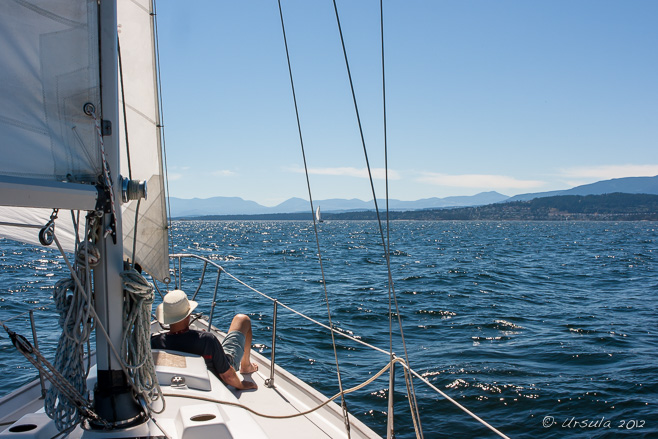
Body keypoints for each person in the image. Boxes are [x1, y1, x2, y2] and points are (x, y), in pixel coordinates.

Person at [151, 289, 258, 390]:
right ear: (188, 315)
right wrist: (241, 385)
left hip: (179, 382)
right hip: (214, 380)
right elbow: (227, 376)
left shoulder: (154, 342)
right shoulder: (207, 340)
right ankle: (246, 366)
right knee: (242, 319)